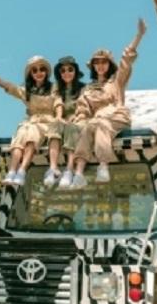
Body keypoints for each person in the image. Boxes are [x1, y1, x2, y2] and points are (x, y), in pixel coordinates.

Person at [62, 18, 146, 189]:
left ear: (109, 64)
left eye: (104, 62)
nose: (100, 66)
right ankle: (78, 174)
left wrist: (138, 36)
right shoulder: (88, 89)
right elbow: (83, 111)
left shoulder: (116, 81)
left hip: (116, 116)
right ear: (93, 66)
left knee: (99, 124)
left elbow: (126, 60)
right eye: (97, 63)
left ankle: (103, 165)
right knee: (87, 127)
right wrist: (74, 120)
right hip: (96, 121)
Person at [0, 55, 56, 186]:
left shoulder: (54, 89)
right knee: (20, 137)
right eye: (34, 70)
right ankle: (12, 172)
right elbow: (3, 84)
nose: (39, 73)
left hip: (47, 122)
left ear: (46, 72)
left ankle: (22, 171)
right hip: (30, 121)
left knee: (31, 136)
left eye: (42, 69)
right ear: (30, 73)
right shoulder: (26, 91)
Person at [44, 56, 86, 187]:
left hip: (79, 118)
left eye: (70, 69)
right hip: (62, 118)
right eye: (63, 71)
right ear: (59, 73)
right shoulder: (56, 89)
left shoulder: (84, 88)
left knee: (72, 127)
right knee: (55, 124)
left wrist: (76, 116)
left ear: (75, 71)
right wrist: (59, 118)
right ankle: (53, 168)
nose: (67, 73)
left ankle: (69, 169)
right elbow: (57, 105)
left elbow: (84, 105)